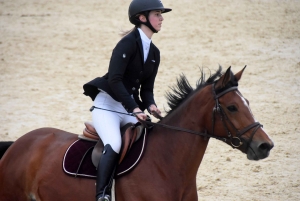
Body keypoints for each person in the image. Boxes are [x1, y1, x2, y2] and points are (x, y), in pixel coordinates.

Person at [83, 0, 171, 200]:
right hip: (107, 106)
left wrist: (150, 105)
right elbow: (115, 80)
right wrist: (134, 108)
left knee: (149, 138)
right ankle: (102, 194)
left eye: (161, 14)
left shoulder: (155, 53)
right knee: (114, 143)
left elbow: (146, 89)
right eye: (157, 14)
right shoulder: (127, 44)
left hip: (129, 108)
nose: (161, 18)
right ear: (142, 18)